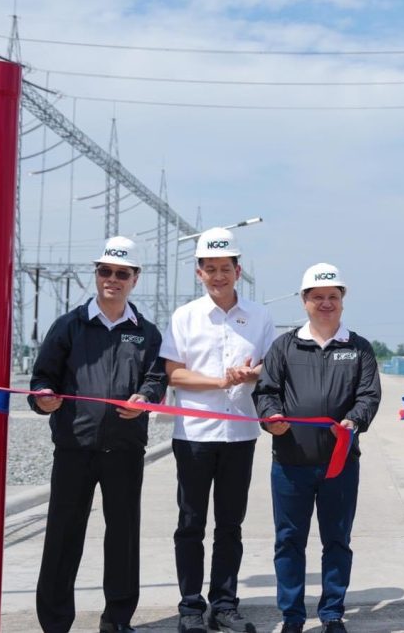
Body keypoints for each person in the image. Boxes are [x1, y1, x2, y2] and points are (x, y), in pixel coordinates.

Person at [29, 236, 167, 633]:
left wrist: (146, 396)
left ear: (134, 279)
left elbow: (156, 379)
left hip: (124, 449)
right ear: (97, 274)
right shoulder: (69, 326)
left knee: (122, 536)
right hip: (74, 447)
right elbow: (43, 377)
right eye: (105, 271)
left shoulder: (147, 333)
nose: (112, 279)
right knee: (62, 535)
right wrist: (43, 399)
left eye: (121, 273)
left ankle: (117, 619)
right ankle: (55, 622)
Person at [254, 263, 381, 633]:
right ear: (304, 300)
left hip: (339, 464)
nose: (326, 303)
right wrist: (271, 417)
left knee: (337, 541)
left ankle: (331, 613)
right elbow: (265, 392)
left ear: (342, 301)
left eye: (333, 297)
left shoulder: (358, 348)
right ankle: (292, 615)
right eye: (318, 297)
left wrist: (354, 421)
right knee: (289, 542)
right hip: (290, 464)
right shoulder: (284, 346)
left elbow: (369, 395)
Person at [161, 228, 276, 633]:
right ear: (199, 272)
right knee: (190, 523)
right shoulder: (185, 317)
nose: (218, 276)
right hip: (193, 434)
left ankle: (224, 604)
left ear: (237, 270)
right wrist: (221, 382)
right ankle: (191, 607)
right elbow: (174, 374)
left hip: (240, 435)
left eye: (225, 268)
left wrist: (251, 373)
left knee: (230, 524)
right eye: (209, 269)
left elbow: (269, 366)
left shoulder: (259, 316)